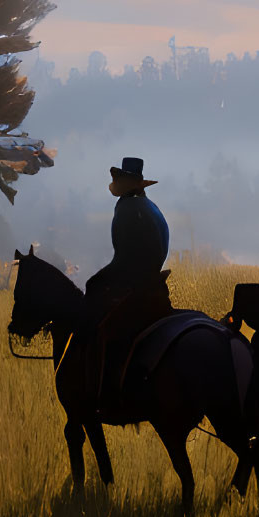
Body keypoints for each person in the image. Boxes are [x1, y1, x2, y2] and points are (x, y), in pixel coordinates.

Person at [84, 157, 172, 410]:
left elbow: (123, 258)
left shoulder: (128, 209)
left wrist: (98, 279)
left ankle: (107, 392)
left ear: (128, 183)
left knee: (103, 328)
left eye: (117, 179)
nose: (113, 183)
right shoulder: (147, 205)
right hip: (152, 281)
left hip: (135, 285)